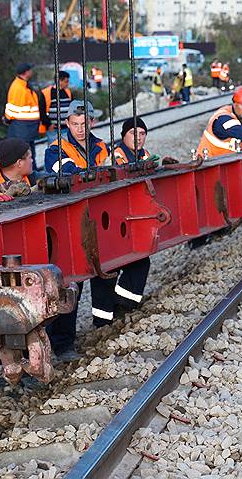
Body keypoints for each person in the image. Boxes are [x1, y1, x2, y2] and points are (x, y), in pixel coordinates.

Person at [42, 101, 107, 362]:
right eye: (75, 124)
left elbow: (110, 169)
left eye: (85, 123)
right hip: (68, 222)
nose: (80, 129)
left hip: (97, 214)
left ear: (92, 122)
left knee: (104, 268)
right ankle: (62, 343)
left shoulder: (101, 146)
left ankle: (105, 322)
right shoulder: (56, 148)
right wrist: (89, 173)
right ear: (67, 124)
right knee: (71, 279)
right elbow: (65, 171)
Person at [91, 118, 151, 326]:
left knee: (140, 262)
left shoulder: (144, 154)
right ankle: (102, 321)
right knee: (107, 270)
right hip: (109, 221)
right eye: (134, 133)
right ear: (124, 136)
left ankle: (122, 305)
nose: (139, 138)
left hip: (127, 220)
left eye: (142, 134)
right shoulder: (116, 156)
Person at [4, 63, 43, 170]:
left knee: (29, 156)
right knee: (25, 156)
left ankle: (32, 178)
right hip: (21, 128)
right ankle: (30, 179)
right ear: (26, 72)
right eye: (30, 70)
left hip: (26, 128)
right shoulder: (18, 87)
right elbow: (12, 108)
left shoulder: (24, 85)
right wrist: (7, 119)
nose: (32, 72)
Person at [41, 71, 72, 144]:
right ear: (59, 81)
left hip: (67, 129)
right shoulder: (46, 92)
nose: (67, 83)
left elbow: (72, 108)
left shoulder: (68, 92)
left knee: (68, 151)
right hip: (53, 129)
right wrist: (48, 124)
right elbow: (42, 110)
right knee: (54, 151)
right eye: (66, 81)